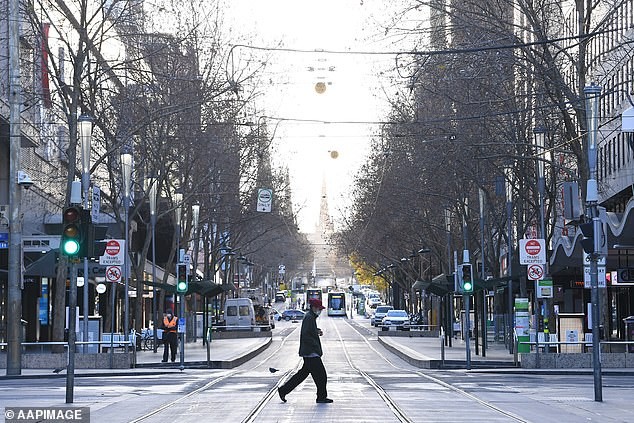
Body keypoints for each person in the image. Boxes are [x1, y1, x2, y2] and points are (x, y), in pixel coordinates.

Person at [277, 298, 333, 404]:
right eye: (318, 308)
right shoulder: (309, 317)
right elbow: (306, 334)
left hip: (309, 352)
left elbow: (309, 331)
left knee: (302, 374)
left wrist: (316, 331)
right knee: (321, 375)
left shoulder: (310, 317)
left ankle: (283, 390)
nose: (319, 311)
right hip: (311, 353)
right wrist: (314, 347)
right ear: (313, 307)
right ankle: (321, 397)